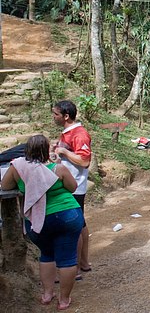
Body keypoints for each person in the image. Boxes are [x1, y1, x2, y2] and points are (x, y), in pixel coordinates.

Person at [1, 135, 84, 311]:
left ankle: (47, 294)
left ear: (27, 150)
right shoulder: (58, 169)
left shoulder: (18, 168)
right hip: (67, 215)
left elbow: (5, 186)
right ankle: (64, 299)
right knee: (67, 258)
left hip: (39, 220)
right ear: (47, 150)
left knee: (47, 254)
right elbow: (73, 188)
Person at [51, 100, 93, 276]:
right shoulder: (68, 132)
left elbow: (85, 161)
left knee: (73, 227)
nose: (53, 117)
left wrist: (64, 152)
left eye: (56, 114)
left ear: (66, 116)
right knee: (80, 223)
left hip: (73, 187)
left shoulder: (80, 134)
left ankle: (73, 267)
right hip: (70, 185)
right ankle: (83, 262)